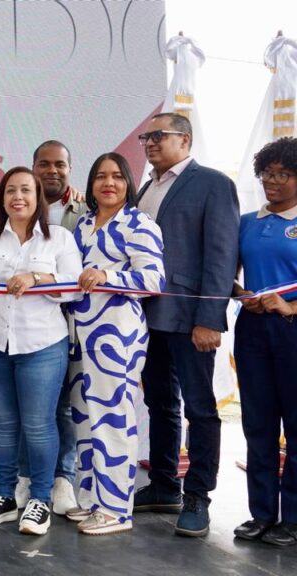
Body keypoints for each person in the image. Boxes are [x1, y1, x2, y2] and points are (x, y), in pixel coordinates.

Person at [134, 112, 240, 537]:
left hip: (191, 317)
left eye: (158, 135)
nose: (149, 142)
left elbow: (221, 253)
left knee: (200, 408)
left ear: (185, 139)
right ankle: (163, 484)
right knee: (160, 402)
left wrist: (210, 318)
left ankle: (198, 495)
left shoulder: (213, 182)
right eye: (145, 136)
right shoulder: (146, 187)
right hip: (147, 315)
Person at [0, 166, 82, 536]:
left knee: (38, 425)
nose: (18, 197)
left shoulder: (59, 238)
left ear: (39, 198)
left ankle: (39, 500)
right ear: (1, 198)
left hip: (43, 344)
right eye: (11, 190)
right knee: (3, 425)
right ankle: (4, 497)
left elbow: (73, 290)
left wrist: (35, 277)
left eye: (26, 191)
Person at [66, 152, 165, 535]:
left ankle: (116, 509)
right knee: (85, 419)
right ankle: (92, 500)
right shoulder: (84, 224)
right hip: (79, 333)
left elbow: (153, 280)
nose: (108, 183)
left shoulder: (140, 224)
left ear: (127, 183)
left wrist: (107, 274)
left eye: (117, 177)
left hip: (116, 336)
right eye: (100, 177)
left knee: (112, 419)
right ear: (91, 185)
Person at [232, 137, 297, 547]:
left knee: (296, 425)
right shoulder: (247, 221)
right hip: (252, 330)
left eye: (282, 174)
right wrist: (241, 294)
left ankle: (292, 517)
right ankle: (261, 514)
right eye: (266, 173)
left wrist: (290, 308)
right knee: (257, 425)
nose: (271, 182)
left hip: (291, 328)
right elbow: (226, 271)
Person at [17, 139, 85, 514]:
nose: (52, 171)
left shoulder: (84, 211)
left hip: (72, 325)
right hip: (24, 328)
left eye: (60, 164)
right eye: (44, 164)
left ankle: (63, 478)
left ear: (69, 169)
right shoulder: (18, 208)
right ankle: (26, 477)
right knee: (29, 409)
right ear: (33, 168)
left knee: (62, 409)